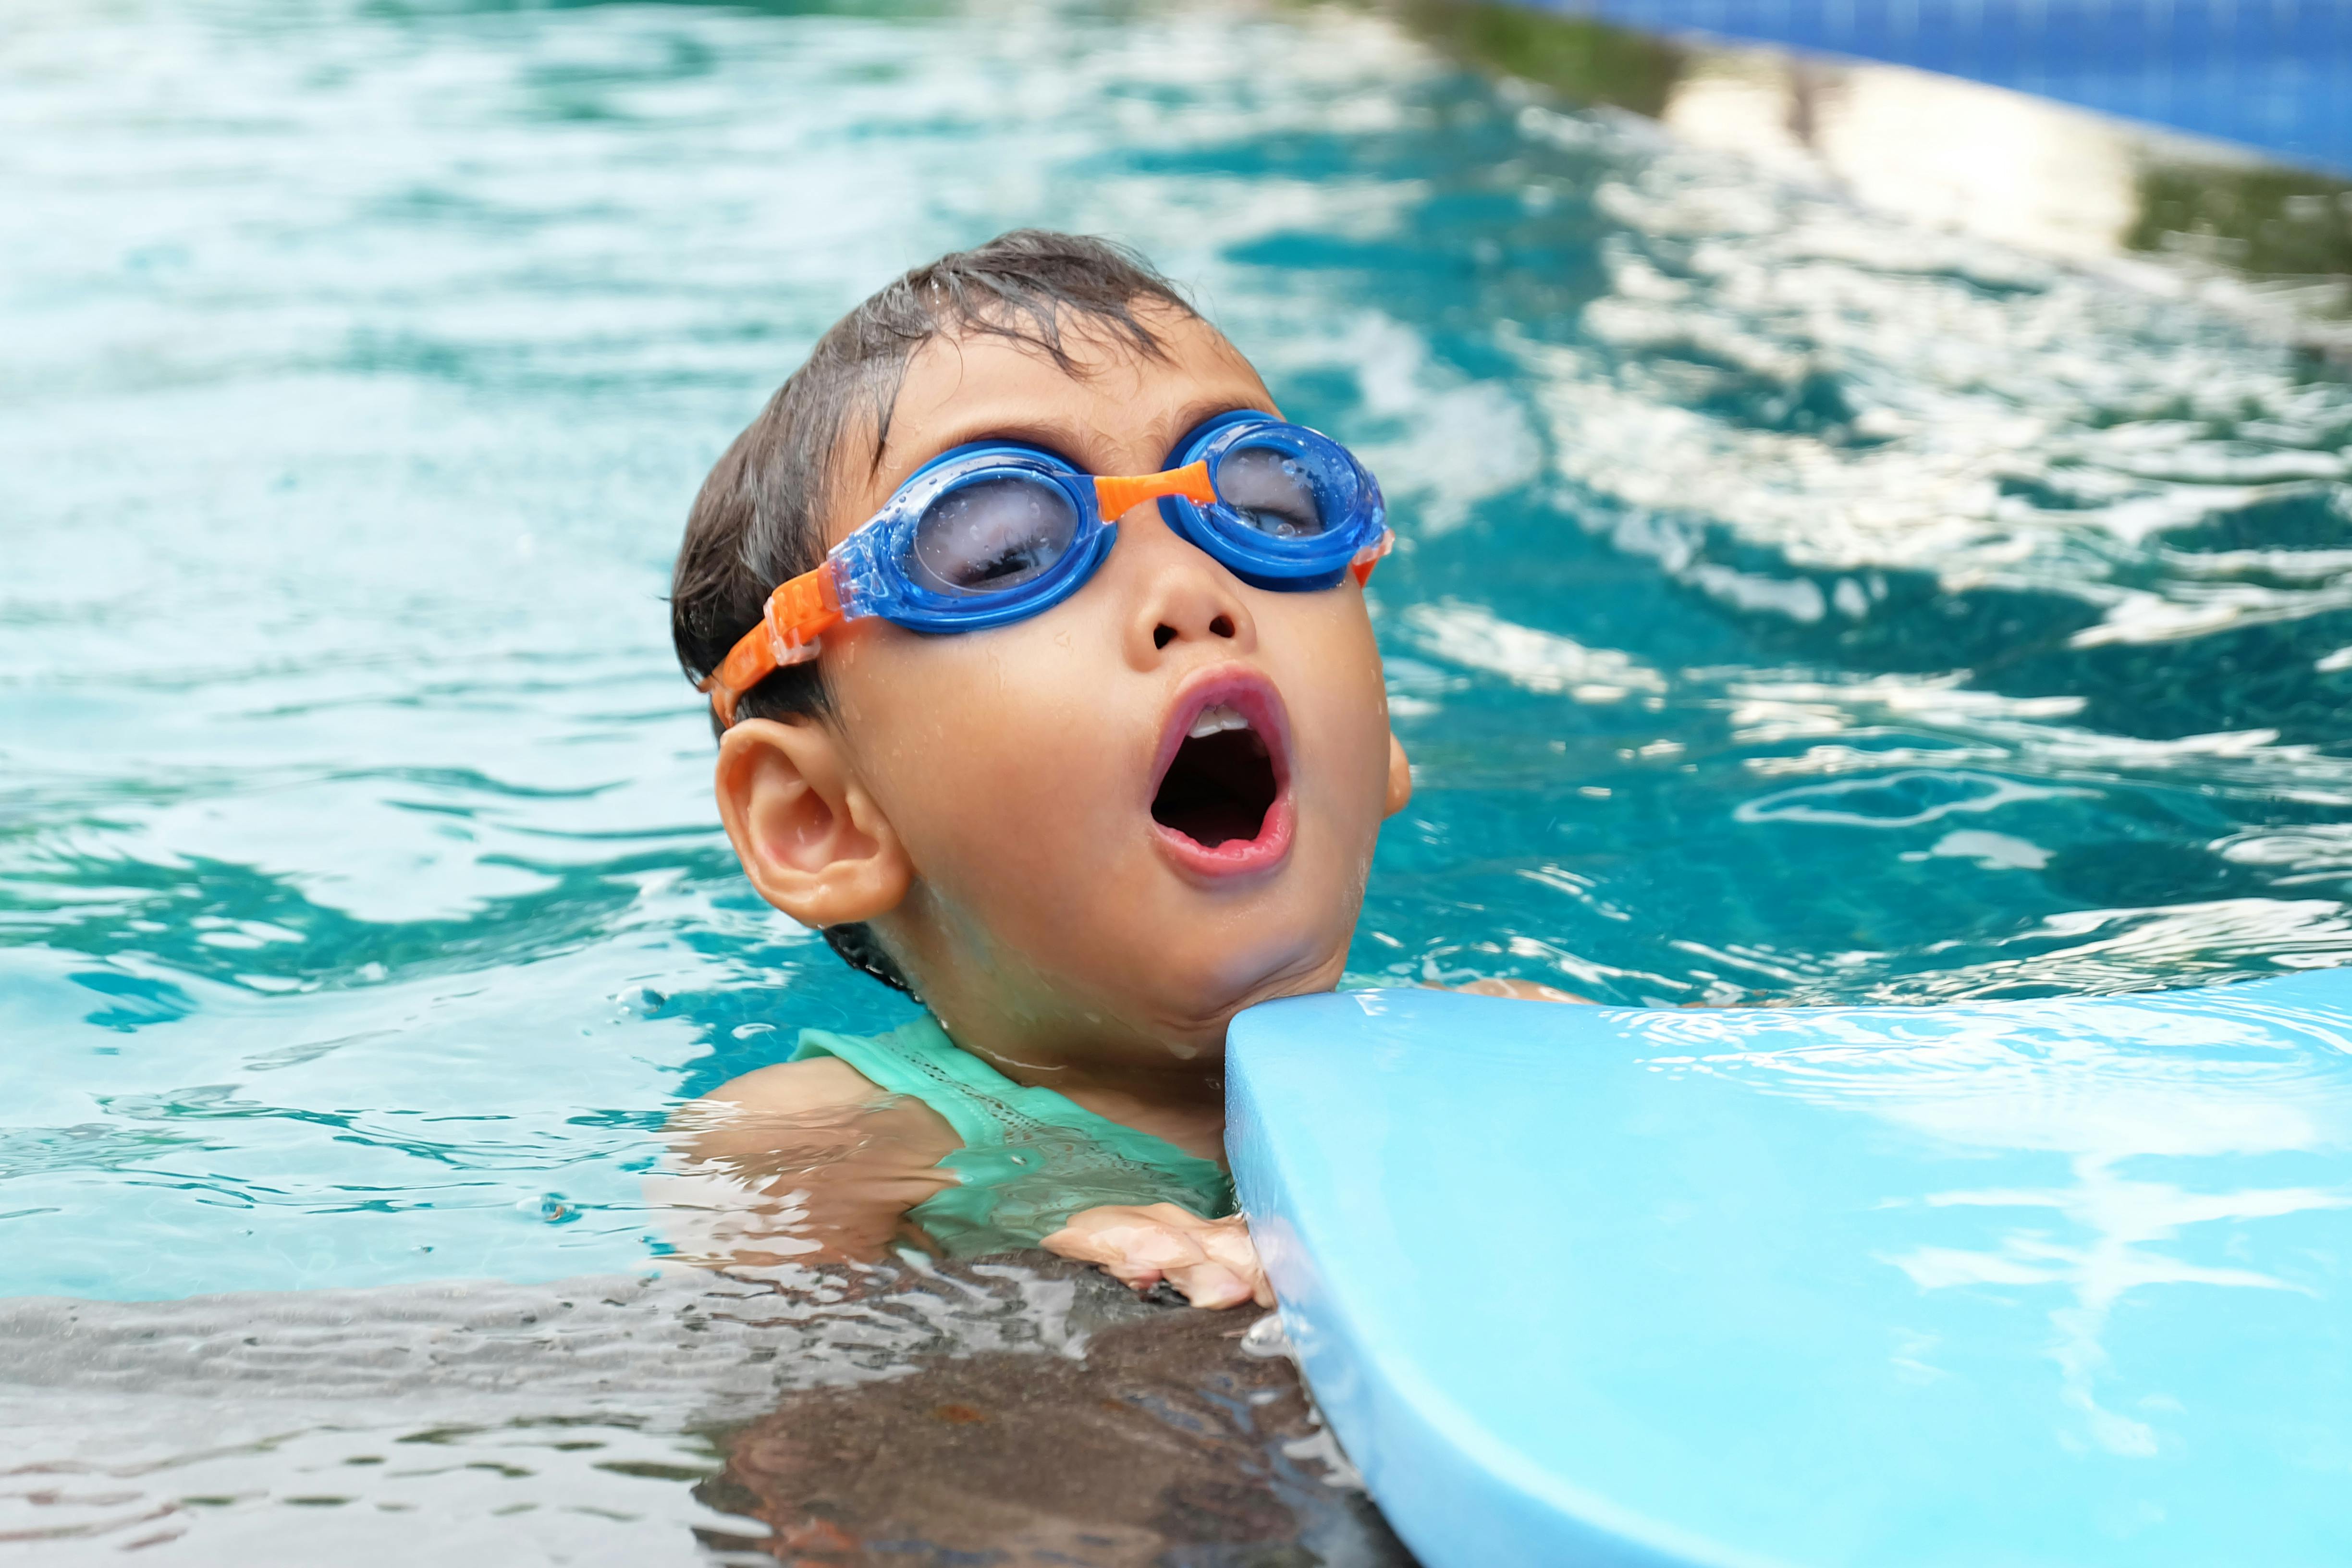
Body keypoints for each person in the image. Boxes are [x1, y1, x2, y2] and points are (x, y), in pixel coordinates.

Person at [663, 230, 1569, 1309]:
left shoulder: (1503, 1052)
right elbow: (770, 1442)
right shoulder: (819, 1146)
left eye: (1266, 508)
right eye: (1006, 548)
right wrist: (1063, 1315)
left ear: (1379, 738)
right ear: (820, 820)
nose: (1194, 589)